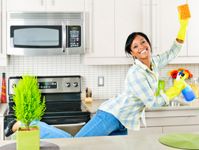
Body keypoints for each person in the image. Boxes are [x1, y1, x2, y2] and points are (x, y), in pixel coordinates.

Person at [5, 14, 189, 139]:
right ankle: (24, 125)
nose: (141, 46)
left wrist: (183, 25)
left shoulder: (153, 63)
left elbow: (173, 51)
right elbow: (153, 103)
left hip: (123, 122)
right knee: (77, 144)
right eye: (135, 46)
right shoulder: (136, 73)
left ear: (148, 43)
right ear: (132, 53)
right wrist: (176, 89)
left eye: (143, 42)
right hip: (110, 116)